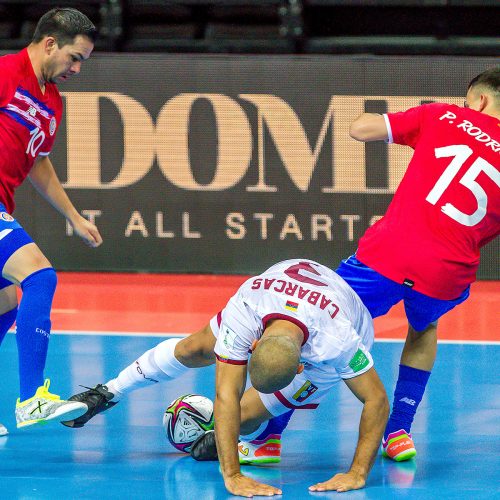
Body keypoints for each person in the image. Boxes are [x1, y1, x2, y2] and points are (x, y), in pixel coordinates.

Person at [263, 67, 500, 463]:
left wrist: (385, 121)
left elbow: (361, 130)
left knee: (317, 328)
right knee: (424, 330)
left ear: (478, 100)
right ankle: (400, 431)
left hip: (388, 254)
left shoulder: (442, 115)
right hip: (448, 273)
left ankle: (269, 437)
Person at [63, 259, 389, 496]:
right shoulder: (245, 309)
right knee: (194, 348)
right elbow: (225, 395)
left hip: (336, 330)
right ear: (253, 344)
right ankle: (108, 392)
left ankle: (252, 438)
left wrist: (357, 472)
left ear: (300, 366)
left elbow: (375, 399)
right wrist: (231, 474)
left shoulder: (339, 343)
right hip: (271, 298)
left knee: (245, 419)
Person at [0, 7, 103, 435]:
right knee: (40, 277)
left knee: (5, 304)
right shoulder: (6, 72)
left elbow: (38, 162)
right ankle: (30, 400)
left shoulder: (52, 100)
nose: (77, 68)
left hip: (4, 203)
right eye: (74, 58)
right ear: (49, 44)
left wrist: (74, 216)